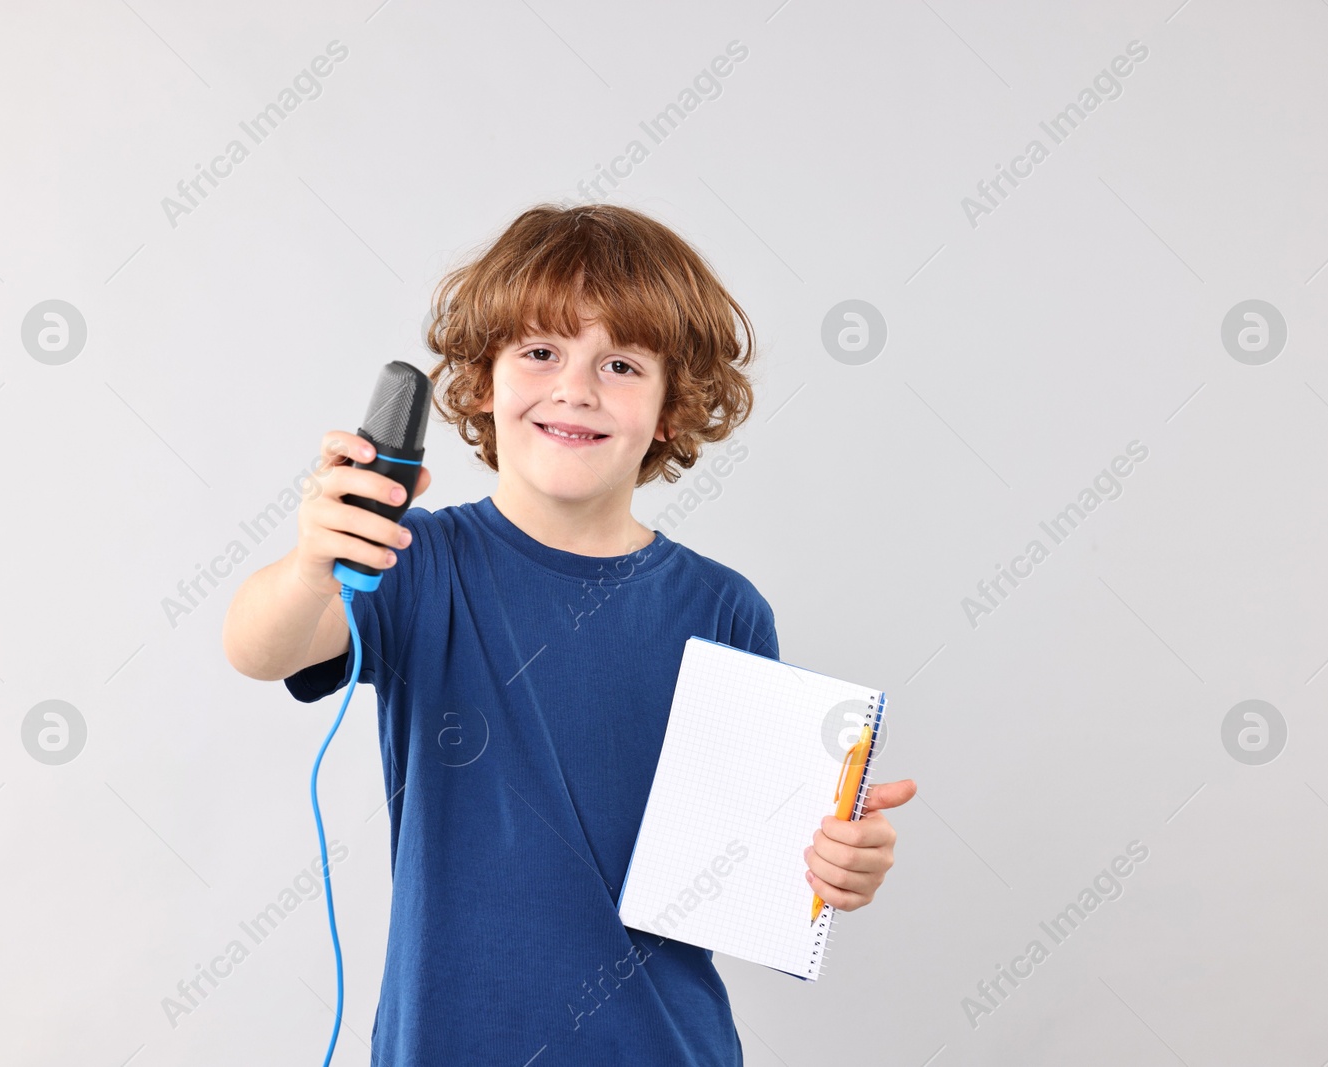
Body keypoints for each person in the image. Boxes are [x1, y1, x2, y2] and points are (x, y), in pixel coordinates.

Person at [222, 202, 916, 1065]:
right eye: (541, 351)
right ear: (482, 380)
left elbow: (756, 869)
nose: (576, 388)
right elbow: (259, 646)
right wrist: (310, 564)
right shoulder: (416, 561)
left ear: (671, 407)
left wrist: (834, 860)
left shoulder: (725, 610)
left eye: (620, 363)